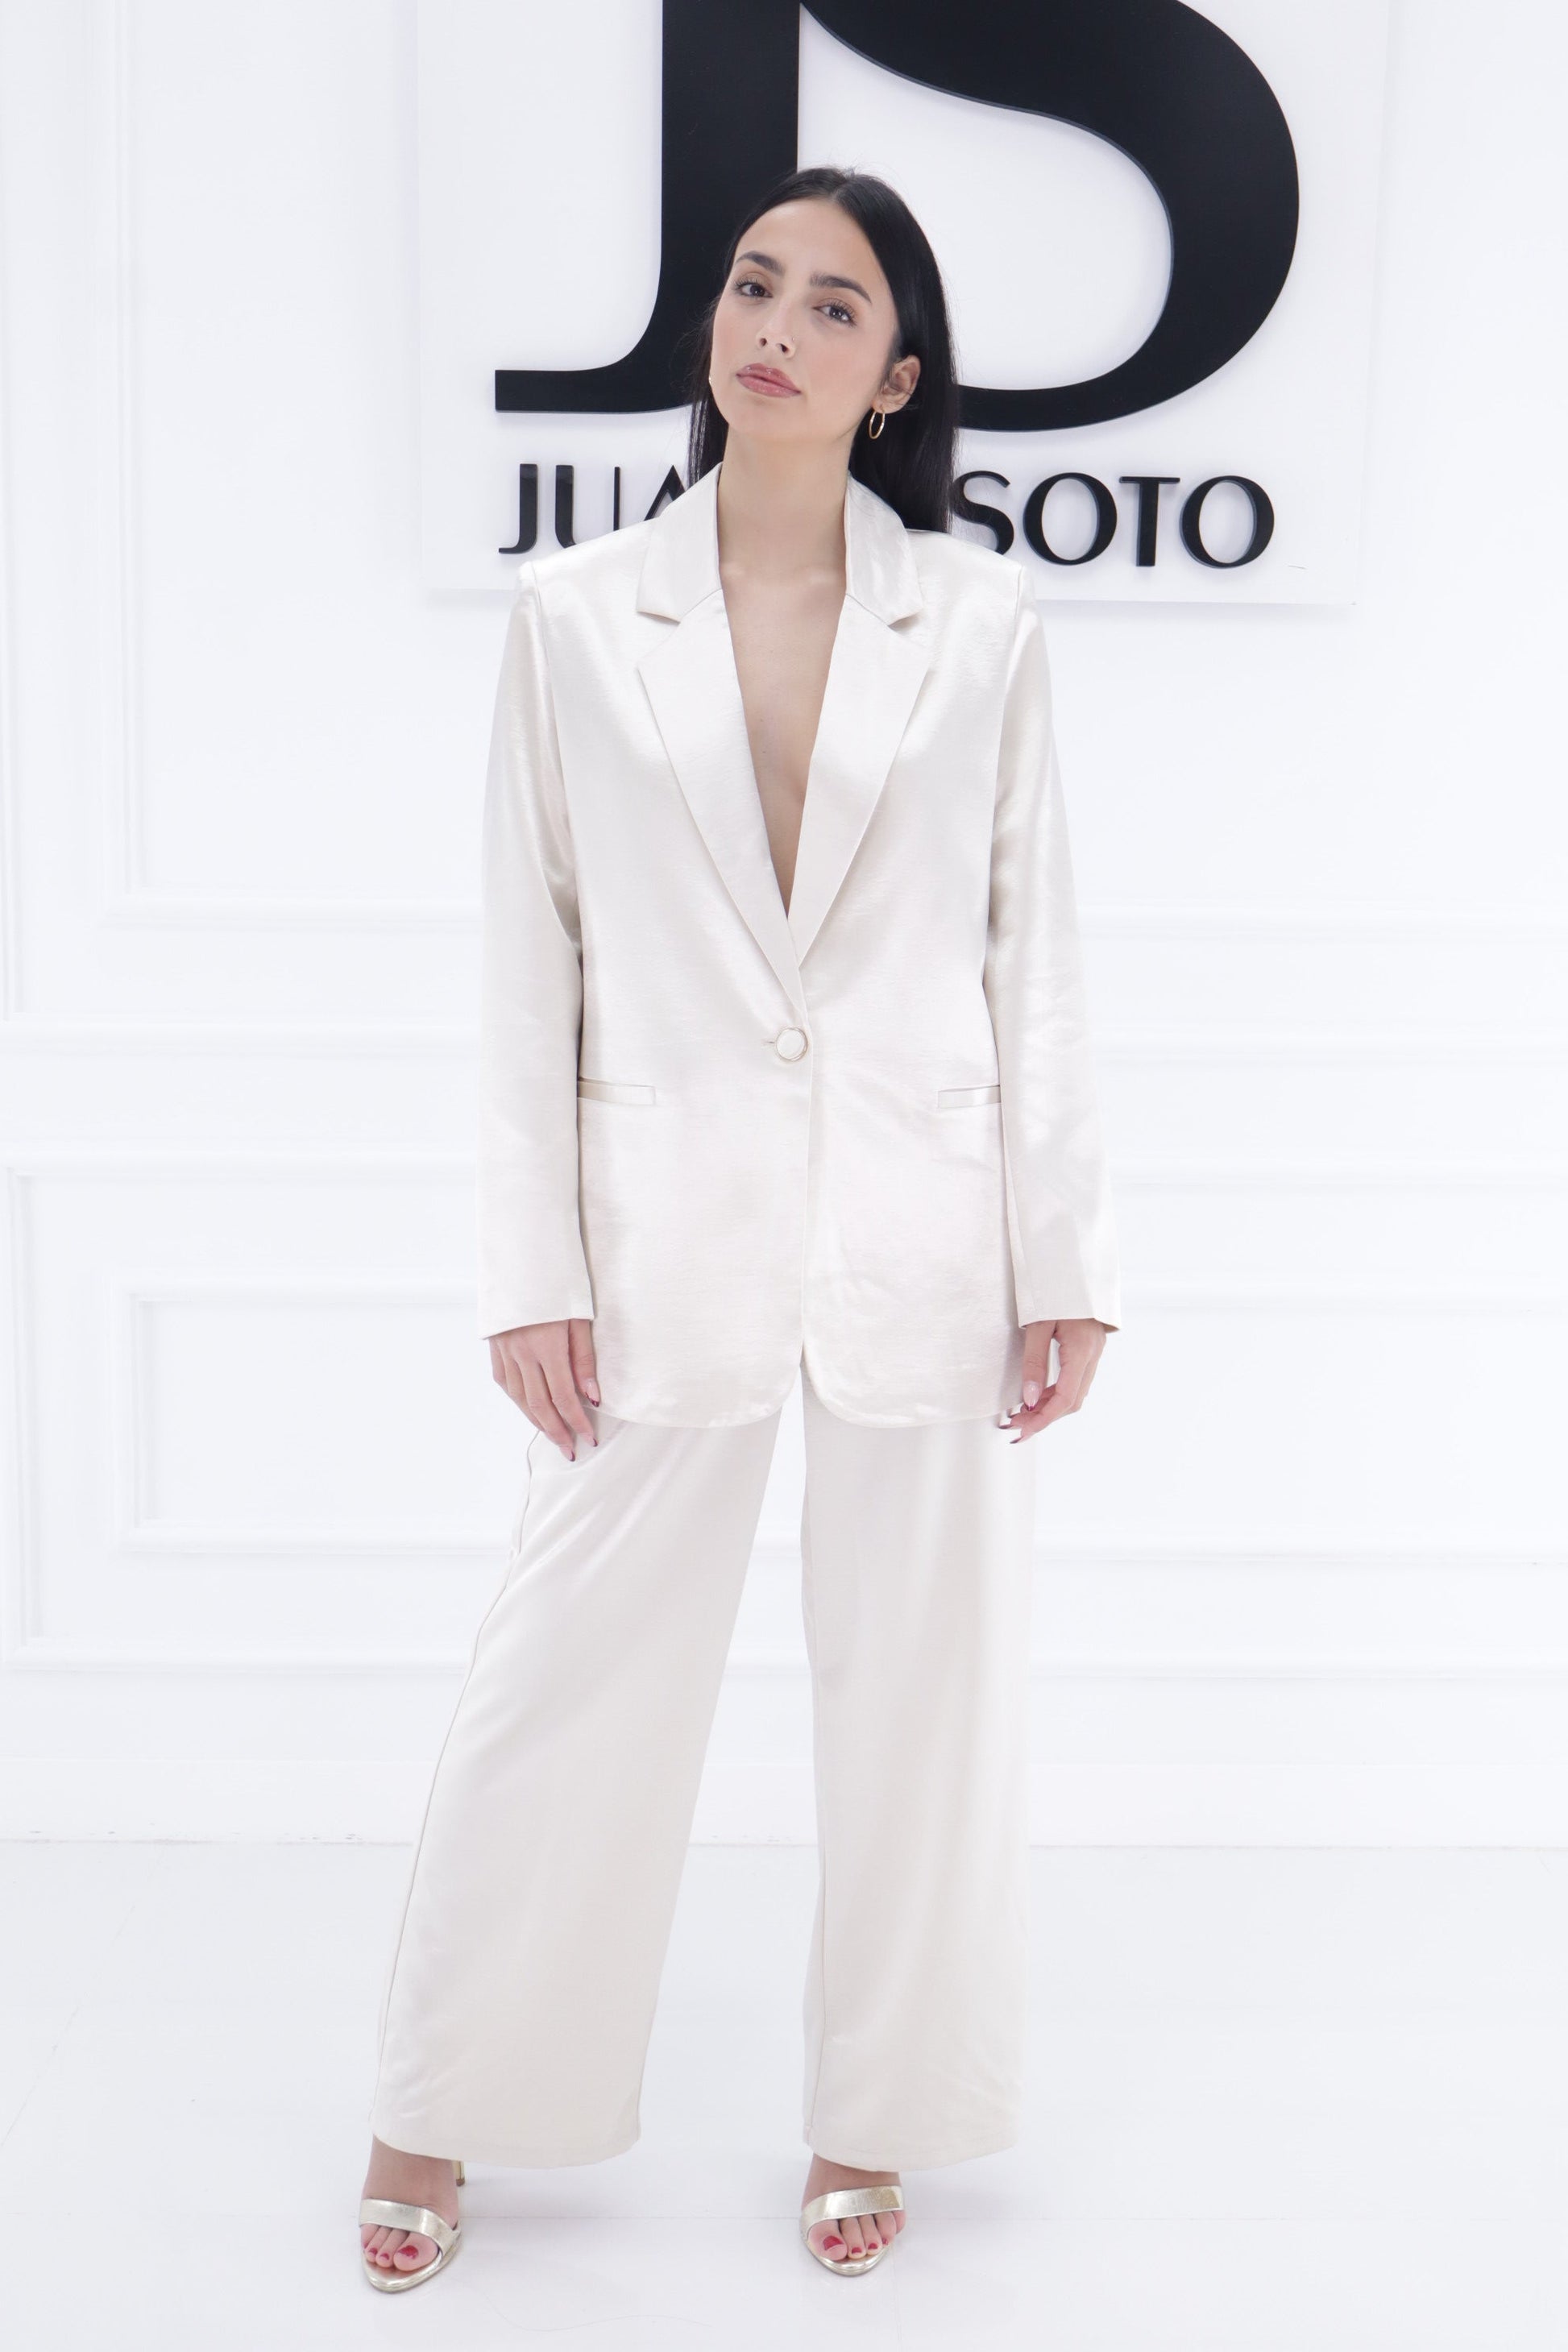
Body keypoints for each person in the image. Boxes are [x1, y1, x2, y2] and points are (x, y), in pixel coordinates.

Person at [358, 163, 1119, 2290]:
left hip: (927, 1235)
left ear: (897, 378)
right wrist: (531, 1272)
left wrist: (1063, 1262)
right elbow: (528, 962)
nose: (773, 323)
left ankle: (878, 2115)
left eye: (832, 304)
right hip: (655, 1235)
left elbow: (1033, 951)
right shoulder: (575, 617)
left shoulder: (977, 624)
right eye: (751, 283)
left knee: (924, 1699)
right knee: (567, 1682)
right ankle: (440, 2101)